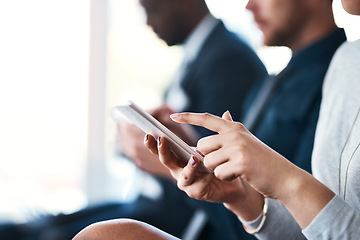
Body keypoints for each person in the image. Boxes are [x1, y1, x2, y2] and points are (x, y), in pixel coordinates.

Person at [73, 0, 360, 238]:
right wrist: (232, 189)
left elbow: (311, 215)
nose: (248, 6)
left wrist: (280, 178)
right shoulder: (341, 64)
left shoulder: (323, 76)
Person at [0, 0, 266, 240]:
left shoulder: (228, 61)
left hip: (177, 215)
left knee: (49, 233)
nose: (148, 22)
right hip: (155, 203)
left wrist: (166, 158)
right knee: (47, 224)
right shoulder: (204, 53)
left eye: (152, 9)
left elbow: (218, 168)